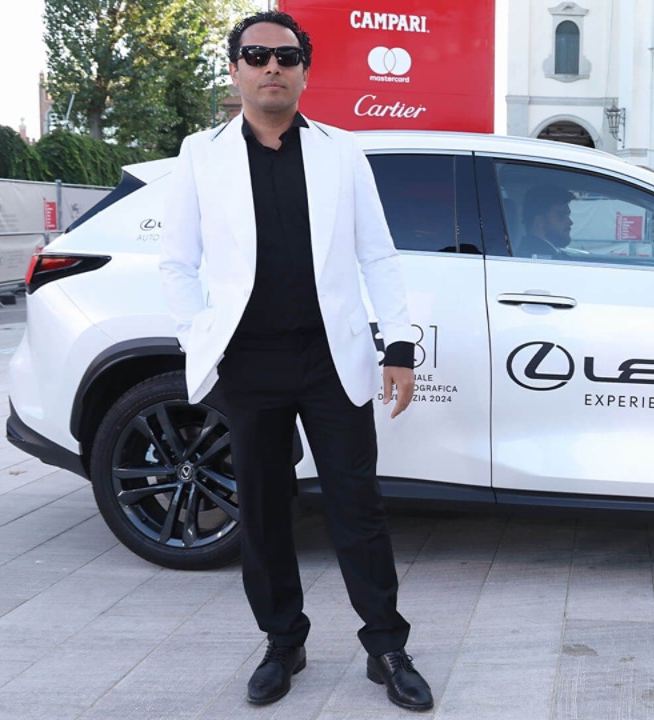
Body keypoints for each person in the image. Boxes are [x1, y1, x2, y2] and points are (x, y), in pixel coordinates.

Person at [158, 11, 433, 712]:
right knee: (263, 510)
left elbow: (378, 254)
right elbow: (177, 263)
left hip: (329, 356)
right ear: (235, 70)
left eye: (285, 56)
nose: (270, 67)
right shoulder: (201, 154)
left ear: (305, 70)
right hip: (247, 364)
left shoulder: (343, 153)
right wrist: (201, 340)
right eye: (256, 55)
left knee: (357, 506)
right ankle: (284, 641)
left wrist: (397, 344)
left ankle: (386, 644)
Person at [516, 185, 574, 259]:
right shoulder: (540, 260)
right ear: (539, 220)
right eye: (561, 215)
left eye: (568, 215)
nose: (570, 222)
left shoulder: (547, 254)